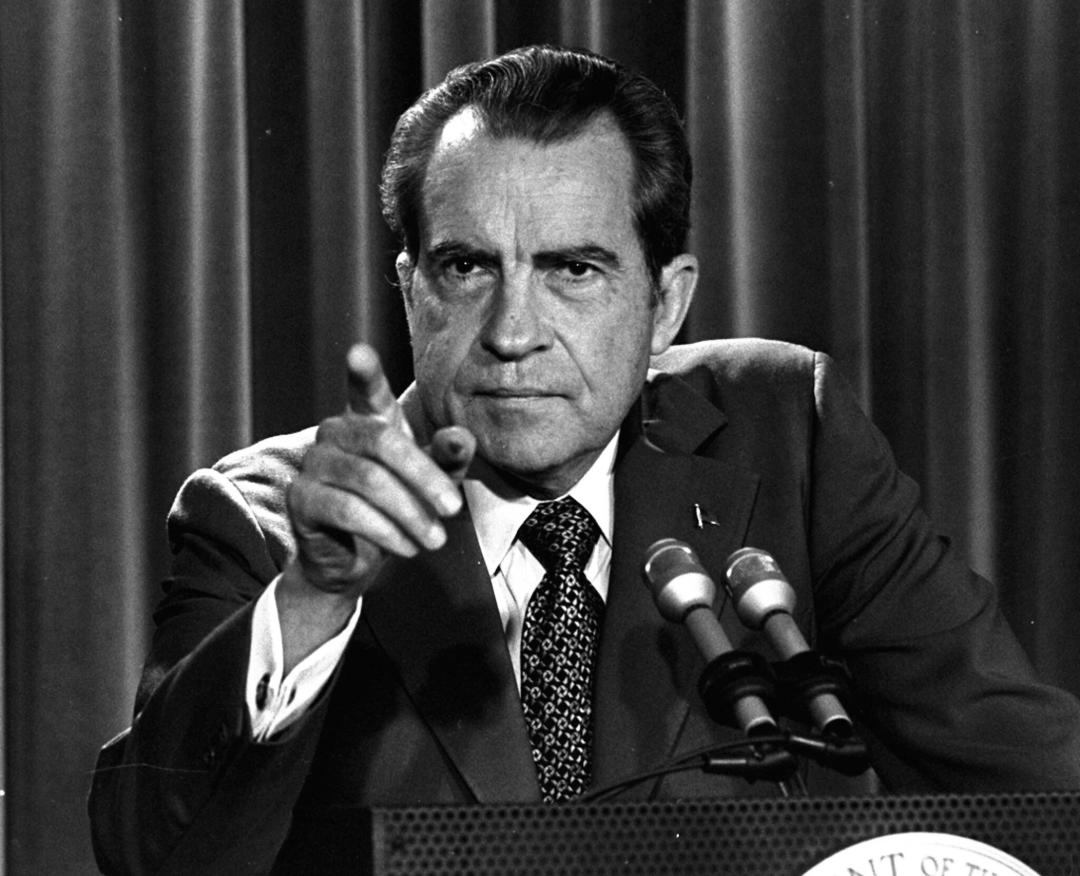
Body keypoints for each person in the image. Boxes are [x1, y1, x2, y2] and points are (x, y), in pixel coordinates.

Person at [88, 44, 1080, 875]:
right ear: (409, 291)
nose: (513, 331)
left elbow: (1028, 776)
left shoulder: (790, 434)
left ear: (667, 304)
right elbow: (148, 855)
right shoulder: (270, 517)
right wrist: (311, 597)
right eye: (468, 268)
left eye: (574, 270)